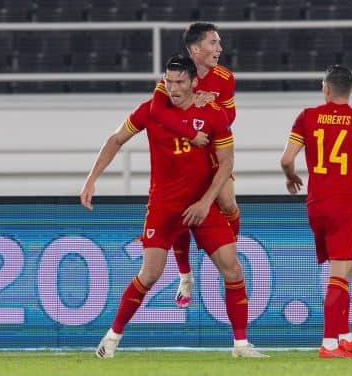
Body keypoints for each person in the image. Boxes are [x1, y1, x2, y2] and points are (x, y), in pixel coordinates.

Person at [81, 54, 267, 359]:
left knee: (233, 269)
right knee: (150, 274)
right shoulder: (150, 111)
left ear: (194, 82)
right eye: (169, 81)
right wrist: (91, 179)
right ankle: (111, 340)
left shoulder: (213, 113)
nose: (174, 87)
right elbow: (116, 140)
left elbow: (227, 163)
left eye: (180, 81)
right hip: (164, 208)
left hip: (201, 206)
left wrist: (206, 202)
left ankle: (241, 346)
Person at [280, 65, 352, 359]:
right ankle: (329, 343)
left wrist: (291, 178)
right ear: (351, 89)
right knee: (341, 275)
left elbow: (286, 160)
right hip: (345, 205)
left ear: (326, 88)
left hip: (316, 205)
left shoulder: (307, 117)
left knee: (340, 274)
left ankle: (346, 337)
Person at [147, 22, 242, 308]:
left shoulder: (225, 77)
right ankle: (185, 275)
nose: (219, 49)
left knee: (227, 204)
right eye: (214, 43)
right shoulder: (176, 78)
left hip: (213, 151)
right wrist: (188, 118)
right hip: (182, 155)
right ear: (196, 49)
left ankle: (227, 250)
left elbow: (230, 116)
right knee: (179, 215)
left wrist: (210, 107)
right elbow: (157, 114)